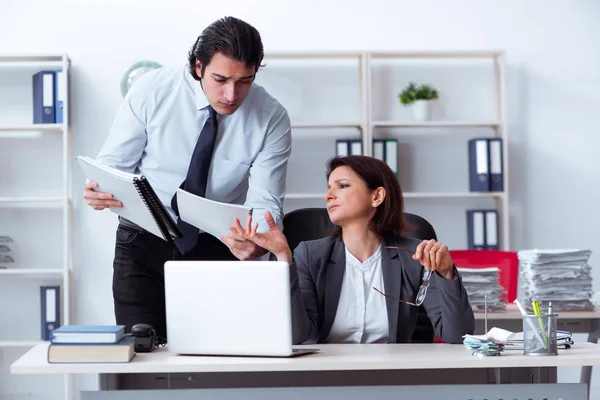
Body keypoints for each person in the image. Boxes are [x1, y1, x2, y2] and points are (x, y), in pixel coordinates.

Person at [82, 16, 292, 339]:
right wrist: (100, 190)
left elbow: (265, 202)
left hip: (220, 246)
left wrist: (257, 242)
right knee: (140, 357)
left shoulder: (271, 118)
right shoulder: (153, 91)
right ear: (198, 66)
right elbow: (113, 166)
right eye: (220, 79)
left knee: (215, 357)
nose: (231, 94)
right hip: (143, 241)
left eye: (244, 81)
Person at [230, 155, 475, 344]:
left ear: (377, 196)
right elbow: (297, 336)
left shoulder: (414, 257)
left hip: (393, 375)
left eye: (342, 186)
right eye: (328, 188)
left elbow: (457, 335)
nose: (328, 196)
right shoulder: (308, 255)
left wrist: (447, 273)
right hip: (323, 377)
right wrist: (284, 258)